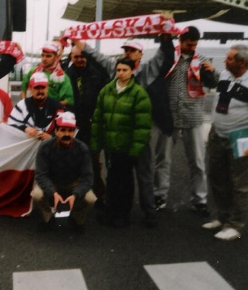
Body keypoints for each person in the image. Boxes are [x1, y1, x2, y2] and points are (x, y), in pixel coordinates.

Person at [75, 34, 175, 227]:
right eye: (125, 50)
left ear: (140, 55)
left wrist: (165, 36)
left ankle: (149, 212)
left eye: (132, 50)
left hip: (138, 138)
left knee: (144, 176)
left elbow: (165, 56)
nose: (127, 53)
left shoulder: (147, 71)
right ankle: (117, 212)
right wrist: (79, 43)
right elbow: (96, 55)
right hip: (118, 139)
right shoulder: (115, 71)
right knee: (119, 177)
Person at [152, 26, 218, 215]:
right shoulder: (169, 58)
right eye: (190, 44)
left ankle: (200, 200)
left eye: (196, 44)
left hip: (193, 116)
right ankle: (159, 196)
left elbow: (212, 84)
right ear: (180, 41)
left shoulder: (202, 60)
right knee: (162, 160)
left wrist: (212, 72)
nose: (193, 47)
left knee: (197, 161)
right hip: (169, 116)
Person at [91, 58, 152, 228]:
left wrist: (135, 149)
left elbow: (142, 126)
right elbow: (97, 119)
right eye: (118, 70)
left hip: (127, 148)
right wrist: (96, 143)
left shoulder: (139, 94)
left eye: (125, 69)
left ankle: (123, 215)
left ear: (132, 71)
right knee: (111, 180)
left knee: (125, 182)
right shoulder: (107, 90)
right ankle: (110, 213)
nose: (121, 73)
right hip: (111, 146)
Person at [202, 44, 248, 241]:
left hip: (242, 136)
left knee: (240, 183)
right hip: (217, 134)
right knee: (216, 177)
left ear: (242, 62)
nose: (224, 60)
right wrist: (211, 72)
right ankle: (222, 217)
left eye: (229, 58)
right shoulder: (225, 76)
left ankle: (235, 224)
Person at [32, 112, 97, 234]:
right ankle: (48, 219)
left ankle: (77, 219)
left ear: (74, 132)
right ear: (56, 131)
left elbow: (88, 178)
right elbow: (41, 175)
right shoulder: (45, 147)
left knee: (91, 199)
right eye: (63, 130)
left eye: (70, 130)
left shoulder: (83, 149)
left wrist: (75, 195)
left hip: (73, 182)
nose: (66, 134)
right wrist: (53, 193)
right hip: (52, 181)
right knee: (36, 194)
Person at [65, 45, 110, 204]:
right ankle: (74, 194)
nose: (80, 60)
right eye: (76, 57)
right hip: (73, 124)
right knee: (72, 160)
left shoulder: (97, 73)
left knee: (93, 162)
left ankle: (99, 195)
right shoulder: (65, 75)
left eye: (82, 56)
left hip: (93, 124)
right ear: (70, 57)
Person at [8, 72, 65, 139]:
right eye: (37, 88)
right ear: (31, 89)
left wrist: (51, 137)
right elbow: (10, 127)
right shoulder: (22, 105)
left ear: (47, 88)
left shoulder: (57, 106)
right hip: (28, 147)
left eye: (43, 87)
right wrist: (25, 129)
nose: (40, 91)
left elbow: (65, 130)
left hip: (51, 147)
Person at [20, 42, 74, 107]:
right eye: (42, 55)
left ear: (56, 57)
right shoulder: (33, 71)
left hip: (52, 113)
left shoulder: (62, 77)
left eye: (48, 56)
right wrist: (25, 105)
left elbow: (69, 100)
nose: (44, 59)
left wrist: (49, 106)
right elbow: (23, 88)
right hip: (32, 111)